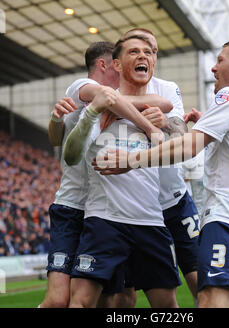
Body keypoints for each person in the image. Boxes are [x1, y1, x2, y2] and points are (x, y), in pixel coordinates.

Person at [96, 37, 229, 308]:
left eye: (220, 60)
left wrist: (131, 160)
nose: (214, 69)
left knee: (210, 300)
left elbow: (190, 145)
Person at [40, 41, 167, 308]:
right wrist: (144, 122)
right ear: (105, 64)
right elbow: (58, 142)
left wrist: (115, 102)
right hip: (75, 206)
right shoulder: (80, 87)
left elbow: (162, 102)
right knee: (58, 300)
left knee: (114, 300)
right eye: (119, 63)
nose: (125, 70)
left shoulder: (118, 101)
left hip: (107, 211)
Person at [107, 28, 200, 307]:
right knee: (125, 296)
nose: (146, 54)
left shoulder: (167, 88)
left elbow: (182, 132)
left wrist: (163, 122)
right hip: (132, 210)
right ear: (121, 58)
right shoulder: (108, 95)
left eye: (152, 50)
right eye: (138, 48)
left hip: (174, 200)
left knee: (200, 280)